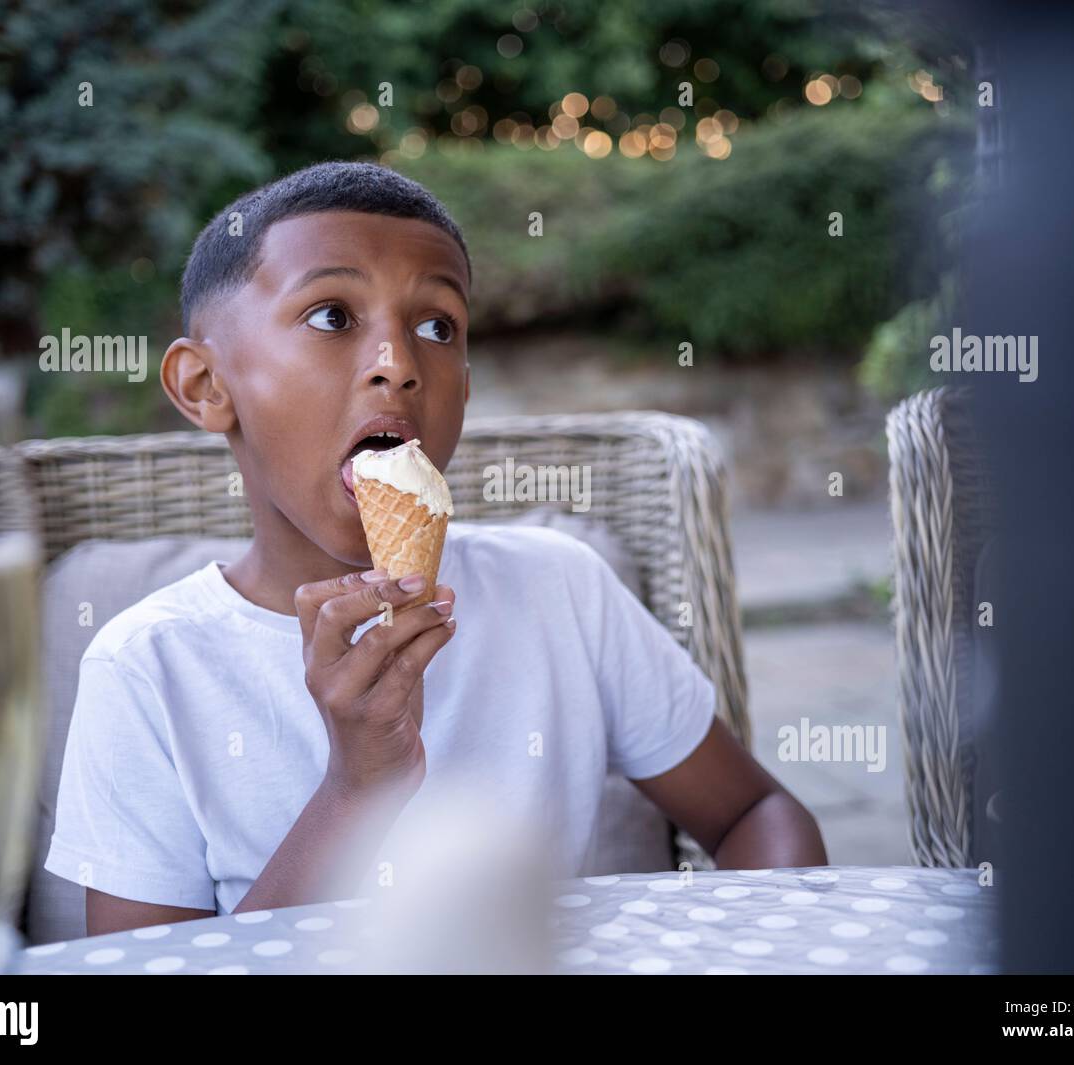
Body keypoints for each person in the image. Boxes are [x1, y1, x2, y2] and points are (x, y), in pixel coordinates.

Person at [44, 161, 827, 936]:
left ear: (466, 386)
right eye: (331, 317)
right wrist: (355, 787)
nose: (399, 364)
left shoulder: (561, 590)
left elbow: (754, 812)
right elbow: (150, 971)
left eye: (436, 326)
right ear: (206, 387)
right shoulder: (148, 669)